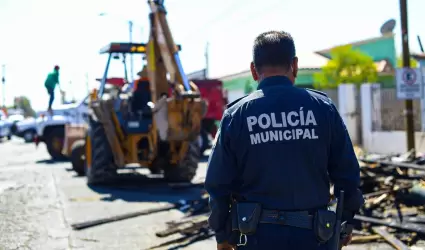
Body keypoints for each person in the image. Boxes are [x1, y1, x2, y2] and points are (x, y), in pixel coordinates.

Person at [205, 31, 364, 250]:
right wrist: (345, 223)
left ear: (254, 70)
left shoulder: (237, 115)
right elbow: (347, 174)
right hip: (315, 237)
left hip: (257, 238)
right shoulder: (322, 109)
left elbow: (218, 182)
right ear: (295, 65)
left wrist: (222, 235)